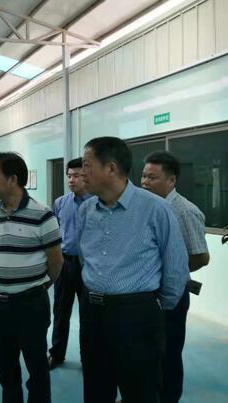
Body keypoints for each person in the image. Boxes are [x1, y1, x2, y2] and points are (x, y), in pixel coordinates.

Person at [77, 137, 189, 403]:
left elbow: (175, 268)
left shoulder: (155, 209)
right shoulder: (86, 210)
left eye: (87, 165)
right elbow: (85, 258)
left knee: (140, 391)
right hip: (92, 312)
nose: (81, 173)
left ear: (111, 168)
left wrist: (152, 307)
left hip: (136, 316)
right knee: (95, 387)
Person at [0, 152, 63, 403]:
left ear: (12, 179)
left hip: (30, 305)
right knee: (5, 367)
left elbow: (56, 262)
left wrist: (39, 286)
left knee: (36, 366)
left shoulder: (43, 214)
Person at [141, 150, 210, 403]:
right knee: (148, 350)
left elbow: (201, 256)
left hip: (172, 293)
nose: (145, 182)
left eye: (152, 178)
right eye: (143, 176)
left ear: (172, 180)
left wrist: (173, 271)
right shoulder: (147, 207)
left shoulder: (184, 211)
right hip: (147, 293)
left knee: (168, 352)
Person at [48, 157, 91, 370]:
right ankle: (56, 354)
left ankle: (88, 358)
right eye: (69, 176)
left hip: (89, 267)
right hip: (65, 264)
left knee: (89, 314)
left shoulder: (97, 203)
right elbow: (55, 233)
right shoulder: (60, 203)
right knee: (60, 311)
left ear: (87, 176)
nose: (72, 180)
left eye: (77, 176)